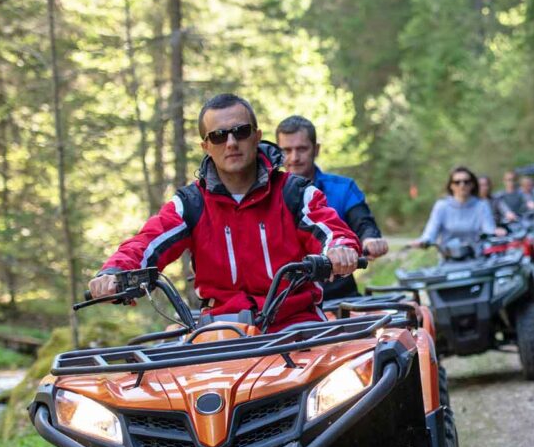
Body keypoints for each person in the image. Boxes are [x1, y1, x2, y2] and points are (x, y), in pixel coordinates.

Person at [89, 93, 360, 331]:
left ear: (256, 135)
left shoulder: (294, 193)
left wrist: (340, 249)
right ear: (206, 146)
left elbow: (331, 230)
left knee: (345, 381)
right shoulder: (191, 203)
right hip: (222, 332)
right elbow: (147, 242)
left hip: (297, 326)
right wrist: (114, 271)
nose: (231, 143)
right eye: (218, 136)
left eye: (240, 132)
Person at [276, 115, 387, 300]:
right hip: (284, 304)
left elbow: (363, 223)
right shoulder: (265, 196)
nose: (294, 157)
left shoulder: (343, 188)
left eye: (302, 149)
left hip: (340, 298)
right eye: (286, 150)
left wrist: (370, 240)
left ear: (316, 149)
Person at [411, 166, 498, 248]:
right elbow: (430, 232)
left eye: (466, 182)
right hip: (448, 259)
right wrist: (423, 242)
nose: (462, 185)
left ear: (472, 184)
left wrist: (495, 233)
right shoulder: (441, 206)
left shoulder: (482, 205)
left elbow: (489, 231)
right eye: (457, 182)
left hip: (478, 259)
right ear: (451, 186)